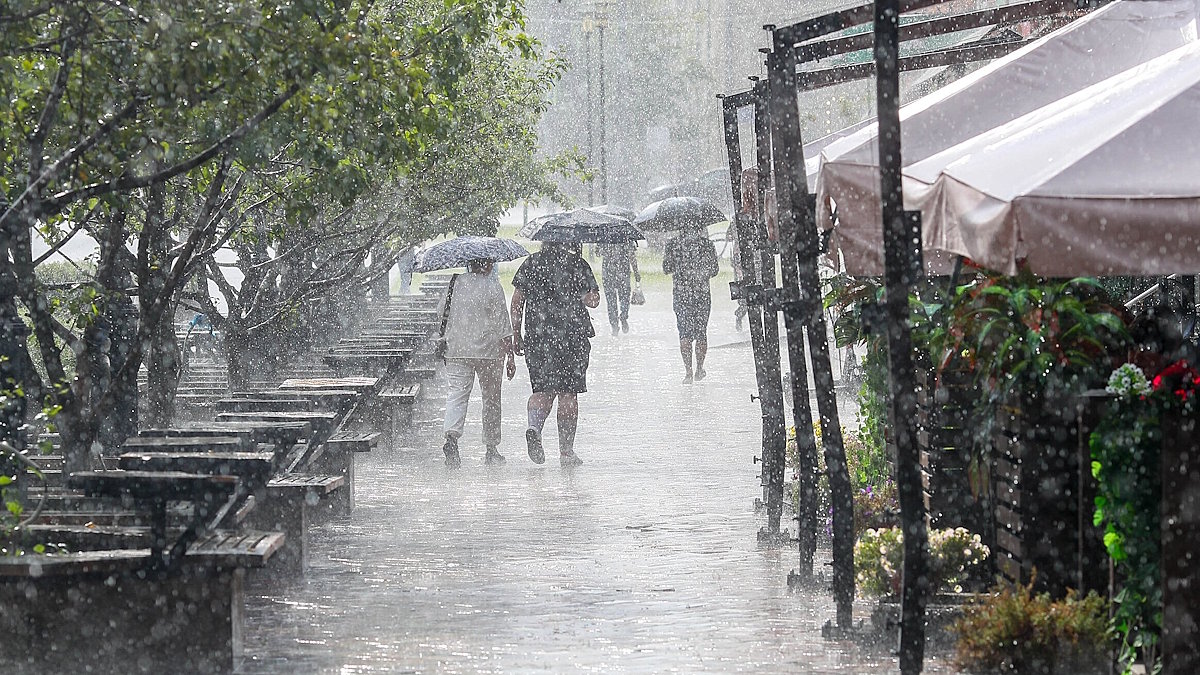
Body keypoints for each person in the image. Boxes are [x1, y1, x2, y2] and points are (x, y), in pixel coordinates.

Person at [510, 241, 601, 467]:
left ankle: (534, 427)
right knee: (568, 393)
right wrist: (577, 290)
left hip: (538, 337)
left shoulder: (531, 263)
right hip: (572, 337)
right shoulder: (578, 265)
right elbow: (594, 301)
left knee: (542, 390)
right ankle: (566, 452)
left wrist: (515, 333)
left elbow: (517, 301)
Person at [438, 258, 516, 467]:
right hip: (489, 351)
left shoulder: (454, 283)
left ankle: (452, 439)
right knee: (491, 400)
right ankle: (491, 448)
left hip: (457, 349)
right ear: (489, 264)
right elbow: (503, 324)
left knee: (457, 395)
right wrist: (510, 356)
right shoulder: (493, 286)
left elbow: (441, 314)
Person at [663, 226, 720, 383]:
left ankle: (688, 372)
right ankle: (699, 368)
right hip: (702, 293)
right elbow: (715, 270)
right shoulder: (707, 245)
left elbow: (666, 269)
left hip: (681, 294)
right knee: (701, 332)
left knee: (684, 333)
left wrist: (680, 268)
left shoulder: (672, 244)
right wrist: (700, 274)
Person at [596, 239, 640, 335]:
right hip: (623, 272)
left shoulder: (603, 237)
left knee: (611, 300)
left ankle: (614, 325)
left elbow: (598, 253)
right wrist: (636, 271)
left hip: (608, 273)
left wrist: (606, 249)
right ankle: (623, 316)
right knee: (625, 297)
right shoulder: (626, 237)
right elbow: (632, 255)